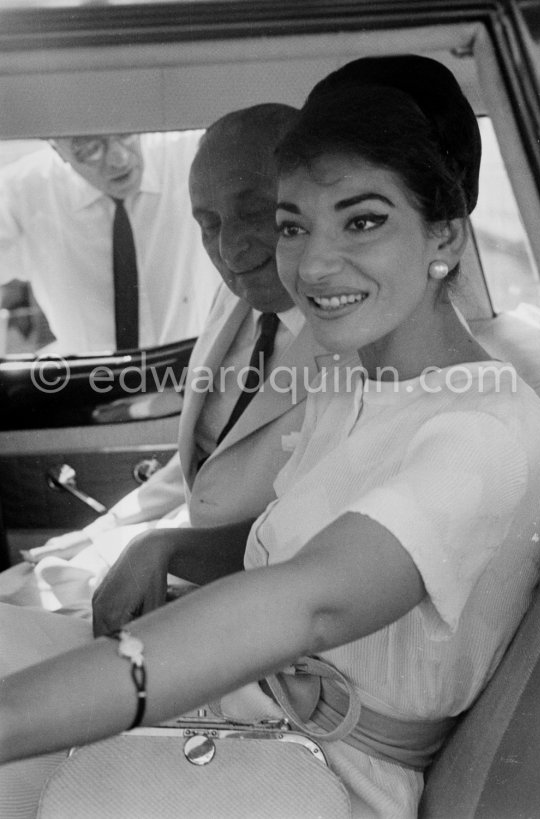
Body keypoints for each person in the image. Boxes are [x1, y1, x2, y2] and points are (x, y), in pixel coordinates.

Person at [2, 55, 540, 819]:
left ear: (447, 235)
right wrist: (173, 547)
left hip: (323, 774)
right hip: (248, 713)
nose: (313, 263)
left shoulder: (483, 431)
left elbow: (311, 600)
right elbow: (310, 535)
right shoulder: (350, 381)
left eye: (363, 220)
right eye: (294, 225)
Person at [0, 102, 340, 617]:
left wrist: (161, 550)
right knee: (17, 592)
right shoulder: (238, 297)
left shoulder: (361, 346)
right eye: (208, 223)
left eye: (255, 212)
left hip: (249, 593)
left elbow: (323, 538)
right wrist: (104, 532)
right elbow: (208, 462)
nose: (229, 249)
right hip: (176, 545)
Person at [0, 131, 220, 353]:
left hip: (199, 367)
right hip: (90, 379)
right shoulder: (21, 193)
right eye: (89, 149)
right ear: (57, 149)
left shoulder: (190, 152)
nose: (120, 159)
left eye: (126, 134)